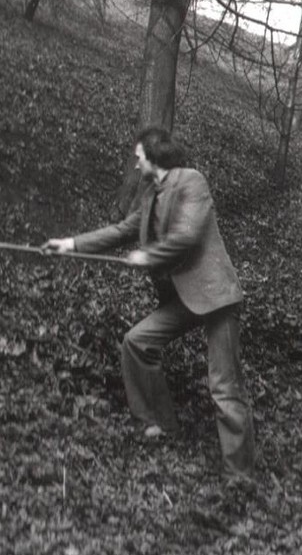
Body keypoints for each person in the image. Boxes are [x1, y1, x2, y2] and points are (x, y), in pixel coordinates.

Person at [43, 127, 256, 480]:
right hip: (185, 297)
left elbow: (187, 235)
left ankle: (241, 476)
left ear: (153, 154)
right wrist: (69, 244)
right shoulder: (151, 194)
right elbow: (122, 230)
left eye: (138, 154)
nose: (136, 160)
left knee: (224, 387)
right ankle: (158, 426)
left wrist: (147, 255)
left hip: (216, 296)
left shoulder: (192, 181)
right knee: (137, 342)